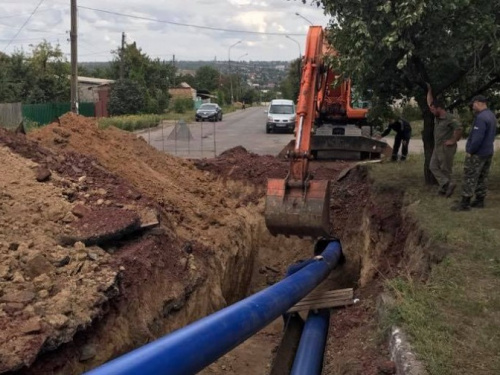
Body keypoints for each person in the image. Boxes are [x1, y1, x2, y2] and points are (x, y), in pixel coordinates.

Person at [451, 95, 497, 211]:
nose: (472, 106)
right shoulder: (491, 115)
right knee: (483, 176)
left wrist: (470, 151)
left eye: (473, 104)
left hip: (478, 153)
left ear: (478, 103)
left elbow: (477, 138)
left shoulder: (481, 117)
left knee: (470, 176)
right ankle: (479, 200)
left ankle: (465, 203)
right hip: (488, 151)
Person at [427, 83, 462, 197]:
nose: (431, 111)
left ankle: (444, 190)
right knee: (432, 166)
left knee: (445, 169)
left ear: (439, 108)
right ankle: (446, 183)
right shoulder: (437, 117)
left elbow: (459, 128)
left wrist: (453, 140)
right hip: (437, 147)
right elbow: (430, 102)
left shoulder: (449, 118)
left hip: (446, 147)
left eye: (433, 110)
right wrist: (429, 90)